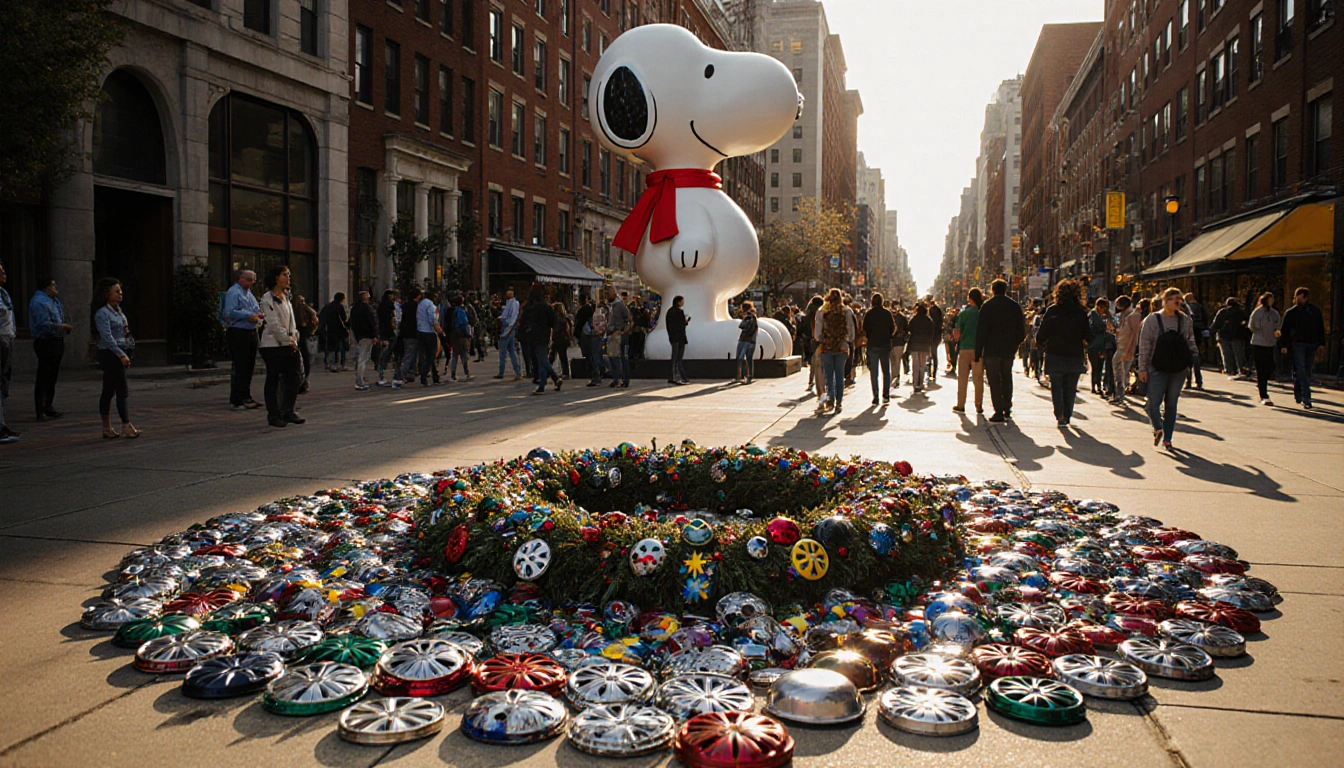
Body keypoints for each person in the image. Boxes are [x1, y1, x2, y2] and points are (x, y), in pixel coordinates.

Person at [1138, 287, 1199, 449]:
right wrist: (1142, 368)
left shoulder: (1185, 320)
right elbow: (1144, 344)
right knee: (1152, 403)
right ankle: (1158, 428)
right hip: (1157, 366)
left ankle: (1168, 438)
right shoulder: (1153, 319)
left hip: (1178, 368)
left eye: (1180, 299)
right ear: (1165, 301)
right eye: (1174, 299)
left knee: (1171, 404)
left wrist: (1193, 357)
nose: (1178, 302)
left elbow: (1190, 340)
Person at [1036, 279, 1091, 427]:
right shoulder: (1081, 312)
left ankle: (1059, 413)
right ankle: (1067, 414)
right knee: (1070, 388)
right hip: (1074, 354)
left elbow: (1042, 333)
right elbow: (1088, 335)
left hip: (1055, 353)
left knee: (1056, 385)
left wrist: (1041, 344)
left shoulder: (1052, 310)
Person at [91, 277, 140, 439]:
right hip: (110, 354)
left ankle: (107, 427)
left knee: (109, 390)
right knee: (121, 390)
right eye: (116, 291)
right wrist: (121, 355)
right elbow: (107, 337)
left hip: (122, 350)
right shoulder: (102, 313)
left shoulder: (119, 311)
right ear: (107, 294)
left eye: (120, 291)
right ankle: (125, 424)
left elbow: (125, 332)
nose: (120, 294)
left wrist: (129, 347)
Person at [257, 265, 304, 428]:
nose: (288, 278)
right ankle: (274, 414)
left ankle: (288, 410)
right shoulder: (267, 298)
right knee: (274, 378)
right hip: (272, 345)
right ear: (276, 278)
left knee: (295, 376)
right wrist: (286, 339)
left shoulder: (287, 297)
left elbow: (292, 322)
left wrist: (294, 337)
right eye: (285, 274)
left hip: (289, 343)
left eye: (289, 275)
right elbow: (274, 324)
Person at [974, 279, 1027, 423]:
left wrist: (978, 351)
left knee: (994, 381)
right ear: (1005, 290)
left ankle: (998, 410)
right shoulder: (1015, 306)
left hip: (991, 350)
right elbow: (1022, 330)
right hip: (1008, 350)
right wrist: (1016, 344)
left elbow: (981, 331)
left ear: (993, 290)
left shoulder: (987, 306)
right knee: (1006, 377)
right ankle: (1007, 407)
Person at [29, 277, 73, 420]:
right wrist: (62, 327)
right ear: (46, 287)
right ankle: (40, 408)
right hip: (45, 341)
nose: (56, 287)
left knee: (52, 375)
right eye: (53, 285)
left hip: (56, 340)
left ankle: (48, 405)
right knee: (44, 375)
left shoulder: (54, 301)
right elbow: (43, 324)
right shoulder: (40, 302)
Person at [1278, 286, 1326, 410]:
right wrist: (1284, 345)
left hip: (1311, 344)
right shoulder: (1291, 313)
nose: (1297, 299)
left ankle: (1298, 392)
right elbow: (1285, 330)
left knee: (1306, 370)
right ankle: (1307, 398)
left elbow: (1320, 328)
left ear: (1305, 297)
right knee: (1301, 369)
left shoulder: (1314, 311)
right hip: (1297, 344)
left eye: (1299, 297)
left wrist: (1321, 343)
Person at [221, 270, 262, 412]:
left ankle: (246, 395)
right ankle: (236, 399)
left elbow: (257, 308)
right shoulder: (234, 292)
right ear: (241, 279)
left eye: (253, 281)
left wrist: (260, 317)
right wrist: (248, 315)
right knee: (240, 365)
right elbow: (230, 312)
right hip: (238, 331)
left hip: (250, 331)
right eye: (249, 280)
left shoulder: (249, 294)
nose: (251, 283)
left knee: (249, 365)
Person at [813, 288, 856, 413]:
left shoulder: (822, 311)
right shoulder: (847, 311)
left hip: (827, 347)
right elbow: (851, 330)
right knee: (839, 375)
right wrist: (847, 341)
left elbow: (817, 332)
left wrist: (822, 339)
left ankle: (830, 399)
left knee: (828, 375)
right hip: (841, 347)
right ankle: (839, 403)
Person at [519, 287, 562, 394]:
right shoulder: (547, 307)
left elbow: (524, 322)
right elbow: (554, 322)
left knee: (542, 361)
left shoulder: (531, 308)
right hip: (545, 336)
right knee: (542, 360)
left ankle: (552, 379)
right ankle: (547, 383)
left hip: (535, 337)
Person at [952, 288, 984, 414]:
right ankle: (978, 405)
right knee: (978, 378)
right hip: (978, 349)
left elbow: (957, 333)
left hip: (965, 348)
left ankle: (960, 404)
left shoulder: (964, 313)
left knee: (963, 378)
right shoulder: (981, 312)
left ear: (970, 298)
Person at [1248, 293, 1281, 406]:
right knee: (1261, 369)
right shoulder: (1257, 312)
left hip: (1270, 343)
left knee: (1269, 367)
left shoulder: (1274, 313)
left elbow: (1278, 324)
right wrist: (1260, 331)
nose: (1271, 301)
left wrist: (1276, 332)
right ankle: (1263, 394)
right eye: (1270, 299)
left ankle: (1263, 383)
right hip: (1259, 343)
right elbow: (1251, 326)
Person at [863, 293, 894, 406]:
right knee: (886, 371)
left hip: (873, 345)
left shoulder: (869, 314)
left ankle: (875, 396)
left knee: (874, 372)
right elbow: (892, 328)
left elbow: (864, 328)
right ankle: (886, 394)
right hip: (885, 345)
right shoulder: (887, 313)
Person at [1210, 297, 1249, 379]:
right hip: (1237, 335)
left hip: (1223, 335)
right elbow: (1245, 323)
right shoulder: (1241, 312)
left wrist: (1212, 332)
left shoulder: (1223, 312)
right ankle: (1240, 369)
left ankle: (1229, 370)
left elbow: (1216, 323)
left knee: (1226, 354)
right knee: (1238, 354)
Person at [392, 288, 423, 390]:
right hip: (413, 333)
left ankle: (410, 374)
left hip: (404, 332)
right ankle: (399, 377)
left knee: (408, 355)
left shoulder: (405, 305)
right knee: (409, 356)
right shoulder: (417, 306)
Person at [1112, 296, 1141, 404]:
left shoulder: (1133, 315)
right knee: (1119, 371)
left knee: (1121, 371)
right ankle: (1119, 395)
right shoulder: (1124, 315)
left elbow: (1134, 334)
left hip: (1125, 348)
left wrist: (1128, 350)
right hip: (1122, 345)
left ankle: (1120, 396)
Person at [0, 262, 17, 443]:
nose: (4, 273)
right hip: (1, 340)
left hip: (7, 339)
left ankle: (2, 425)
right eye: (1, 271)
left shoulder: (3, 294)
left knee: (4, 382)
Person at [1087, 298, 1116, 398]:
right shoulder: (1092, 315)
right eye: (1103, 307)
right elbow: (1091, 328)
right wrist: (1103, 327)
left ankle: (1098, 385)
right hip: (1093, 345)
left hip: (1103, 345)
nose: (1104, 310)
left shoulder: (1106, 316)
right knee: (1095, 366)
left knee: (1100, 366)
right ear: (1098, 306)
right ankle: (1095, 386)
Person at [349, 291, 378, 390]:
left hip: (359, 335)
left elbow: (352, 322)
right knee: (363, 358)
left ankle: (360, 378)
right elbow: (371, 322)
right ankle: (360, 381)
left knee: (361, 357)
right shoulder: (366, 308)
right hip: (366, 335)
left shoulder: (354, 309)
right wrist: (374, 334)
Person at [906, 302, 936, 393]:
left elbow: (909, 330)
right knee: (922, 365)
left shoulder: (913, 319)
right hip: (924, 346)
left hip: (914, 345)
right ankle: (921, 383)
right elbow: (931, 334)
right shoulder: (929, 320)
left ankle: (915, 384)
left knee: (915, 365)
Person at [415, 289, 442, 386]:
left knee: (426, 354)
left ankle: (435, 376)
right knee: (431, 355)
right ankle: (424, 374)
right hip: (429, 332)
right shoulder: (431, 305)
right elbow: (433, 319)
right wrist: (439, 330)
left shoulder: (421, 304)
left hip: (420, 331)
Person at [607, 289, 633, 388]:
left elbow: (629, 320)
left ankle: (623, 379)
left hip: (619, 336)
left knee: (620, 358)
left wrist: (622, 331)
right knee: (612, 358)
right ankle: (616, 378)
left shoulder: (620, 306)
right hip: (612, 335)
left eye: (608, 293)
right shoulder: (611, 306)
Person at [495, 287, 522, 380]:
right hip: (507, 327)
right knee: (512, 350)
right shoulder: (509, 303)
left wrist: (508, 328)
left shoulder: (514, 303)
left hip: (508, 328)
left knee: (503, 351)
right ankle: (517, 372)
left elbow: (513, 316)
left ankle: (501, 372)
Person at [319, 293, 350, 373]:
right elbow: (344, 318)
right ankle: (340, 364)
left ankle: (330, 364)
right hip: (339, 330)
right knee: (341, 348)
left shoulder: (327, 306)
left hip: (329, 329)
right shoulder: (340, 307)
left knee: (330, 347)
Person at [293, 295, 319, 393]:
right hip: (304, 334)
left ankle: (299, 382)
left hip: (294, 334)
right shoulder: (306, 309)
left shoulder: (291, 309)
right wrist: (312, 330)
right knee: (306, 357)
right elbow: (314, 318)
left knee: (299, 359)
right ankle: (304, 381)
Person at [1183, 292, 1207, 390]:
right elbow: (1206, 319)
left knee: (1188, 359)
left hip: (1189, 333)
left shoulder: (1186, 308)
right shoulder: (1200, 307)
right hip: (1198, 332)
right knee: (1196, 356)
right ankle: (1199, 381)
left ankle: (1188, 381)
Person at [375, 289, 399, 387]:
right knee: (389, 355)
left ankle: (382, 376)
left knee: (385, 355)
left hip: (384, 333)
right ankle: (393, 376)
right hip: (389, 333)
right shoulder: (390, 307)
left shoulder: (381, 307)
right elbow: (392, 321)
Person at [447, 294, 473, 381]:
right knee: (464, 354)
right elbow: (464, 323)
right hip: (461, 335)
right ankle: (467, 372)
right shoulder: (461, 311)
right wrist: (468, 334)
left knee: (455, 355)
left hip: (453, 334)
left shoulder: (452, 310)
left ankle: (453, 374)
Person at [801, 295, 824, 397]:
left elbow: (802, 328)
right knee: (818, 364)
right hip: (818, 340)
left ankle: (812, 382)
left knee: (813, 364)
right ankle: (819, 384)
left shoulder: (808, 314)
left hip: (810, 341)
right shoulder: (822, 312)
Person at [665, 295, 690, 385]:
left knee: (674, 358)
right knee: (678, 358)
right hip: (679, 337)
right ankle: (677, 376)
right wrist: (686, 321)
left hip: (673, 337)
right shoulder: (679, 312)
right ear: (678, 302)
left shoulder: (669, 312)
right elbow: (681, 325)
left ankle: (674, 376)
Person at [735, 301, 759, 384]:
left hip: (745, 340)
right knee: (749, 359)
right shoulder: (754, 316)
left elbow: (741, 325)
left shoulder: (748, 316)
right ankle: (749, 376)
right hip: (752, 340)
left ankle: (740, 376)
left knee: (740, 358)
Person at [550, 302, 573, 380]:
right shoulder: (564, 318)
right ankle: (564, 372)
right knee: (560, 356)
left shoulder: (559, 319)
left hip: (559, 339)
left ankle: (564, 373)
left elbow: (557, 329)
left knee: (559, 356)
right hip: (562, 339)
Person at [927, 296, 943, 380]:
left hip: (930, 336)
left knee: (929, 355)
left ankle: (929, 373)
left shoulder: (930, 311)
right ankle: (934, 373)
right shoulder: (939, 311)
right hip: (937, 336)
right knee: (934, 354)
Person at [943, 305, 960, 377]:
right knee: (950, 352)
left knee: (952, 352)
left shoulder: (954, 319)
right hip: (949, 337)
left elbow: (952, 328)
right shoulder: (952, 319)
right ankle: (951, 365)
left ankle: (953, 366)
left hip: (951, 338)